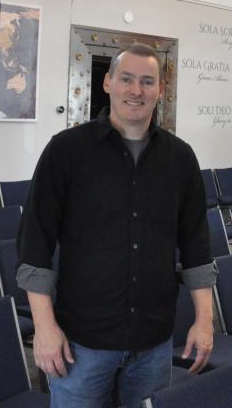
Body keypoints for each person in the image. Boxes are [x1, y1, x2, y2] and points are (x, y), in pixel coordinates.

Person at [17, 43, 215, 408]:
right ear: (108, 83)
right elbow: (35, 243)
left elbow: (196, 243)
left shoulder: (180, 158)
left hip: (153, 342)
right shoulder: (66, 151)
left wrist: (205, 320)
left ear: (160, 89)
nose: (136, 90)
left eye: (146, 81)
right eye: (126, 79)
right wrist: (44, 328)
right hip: (82, 343)